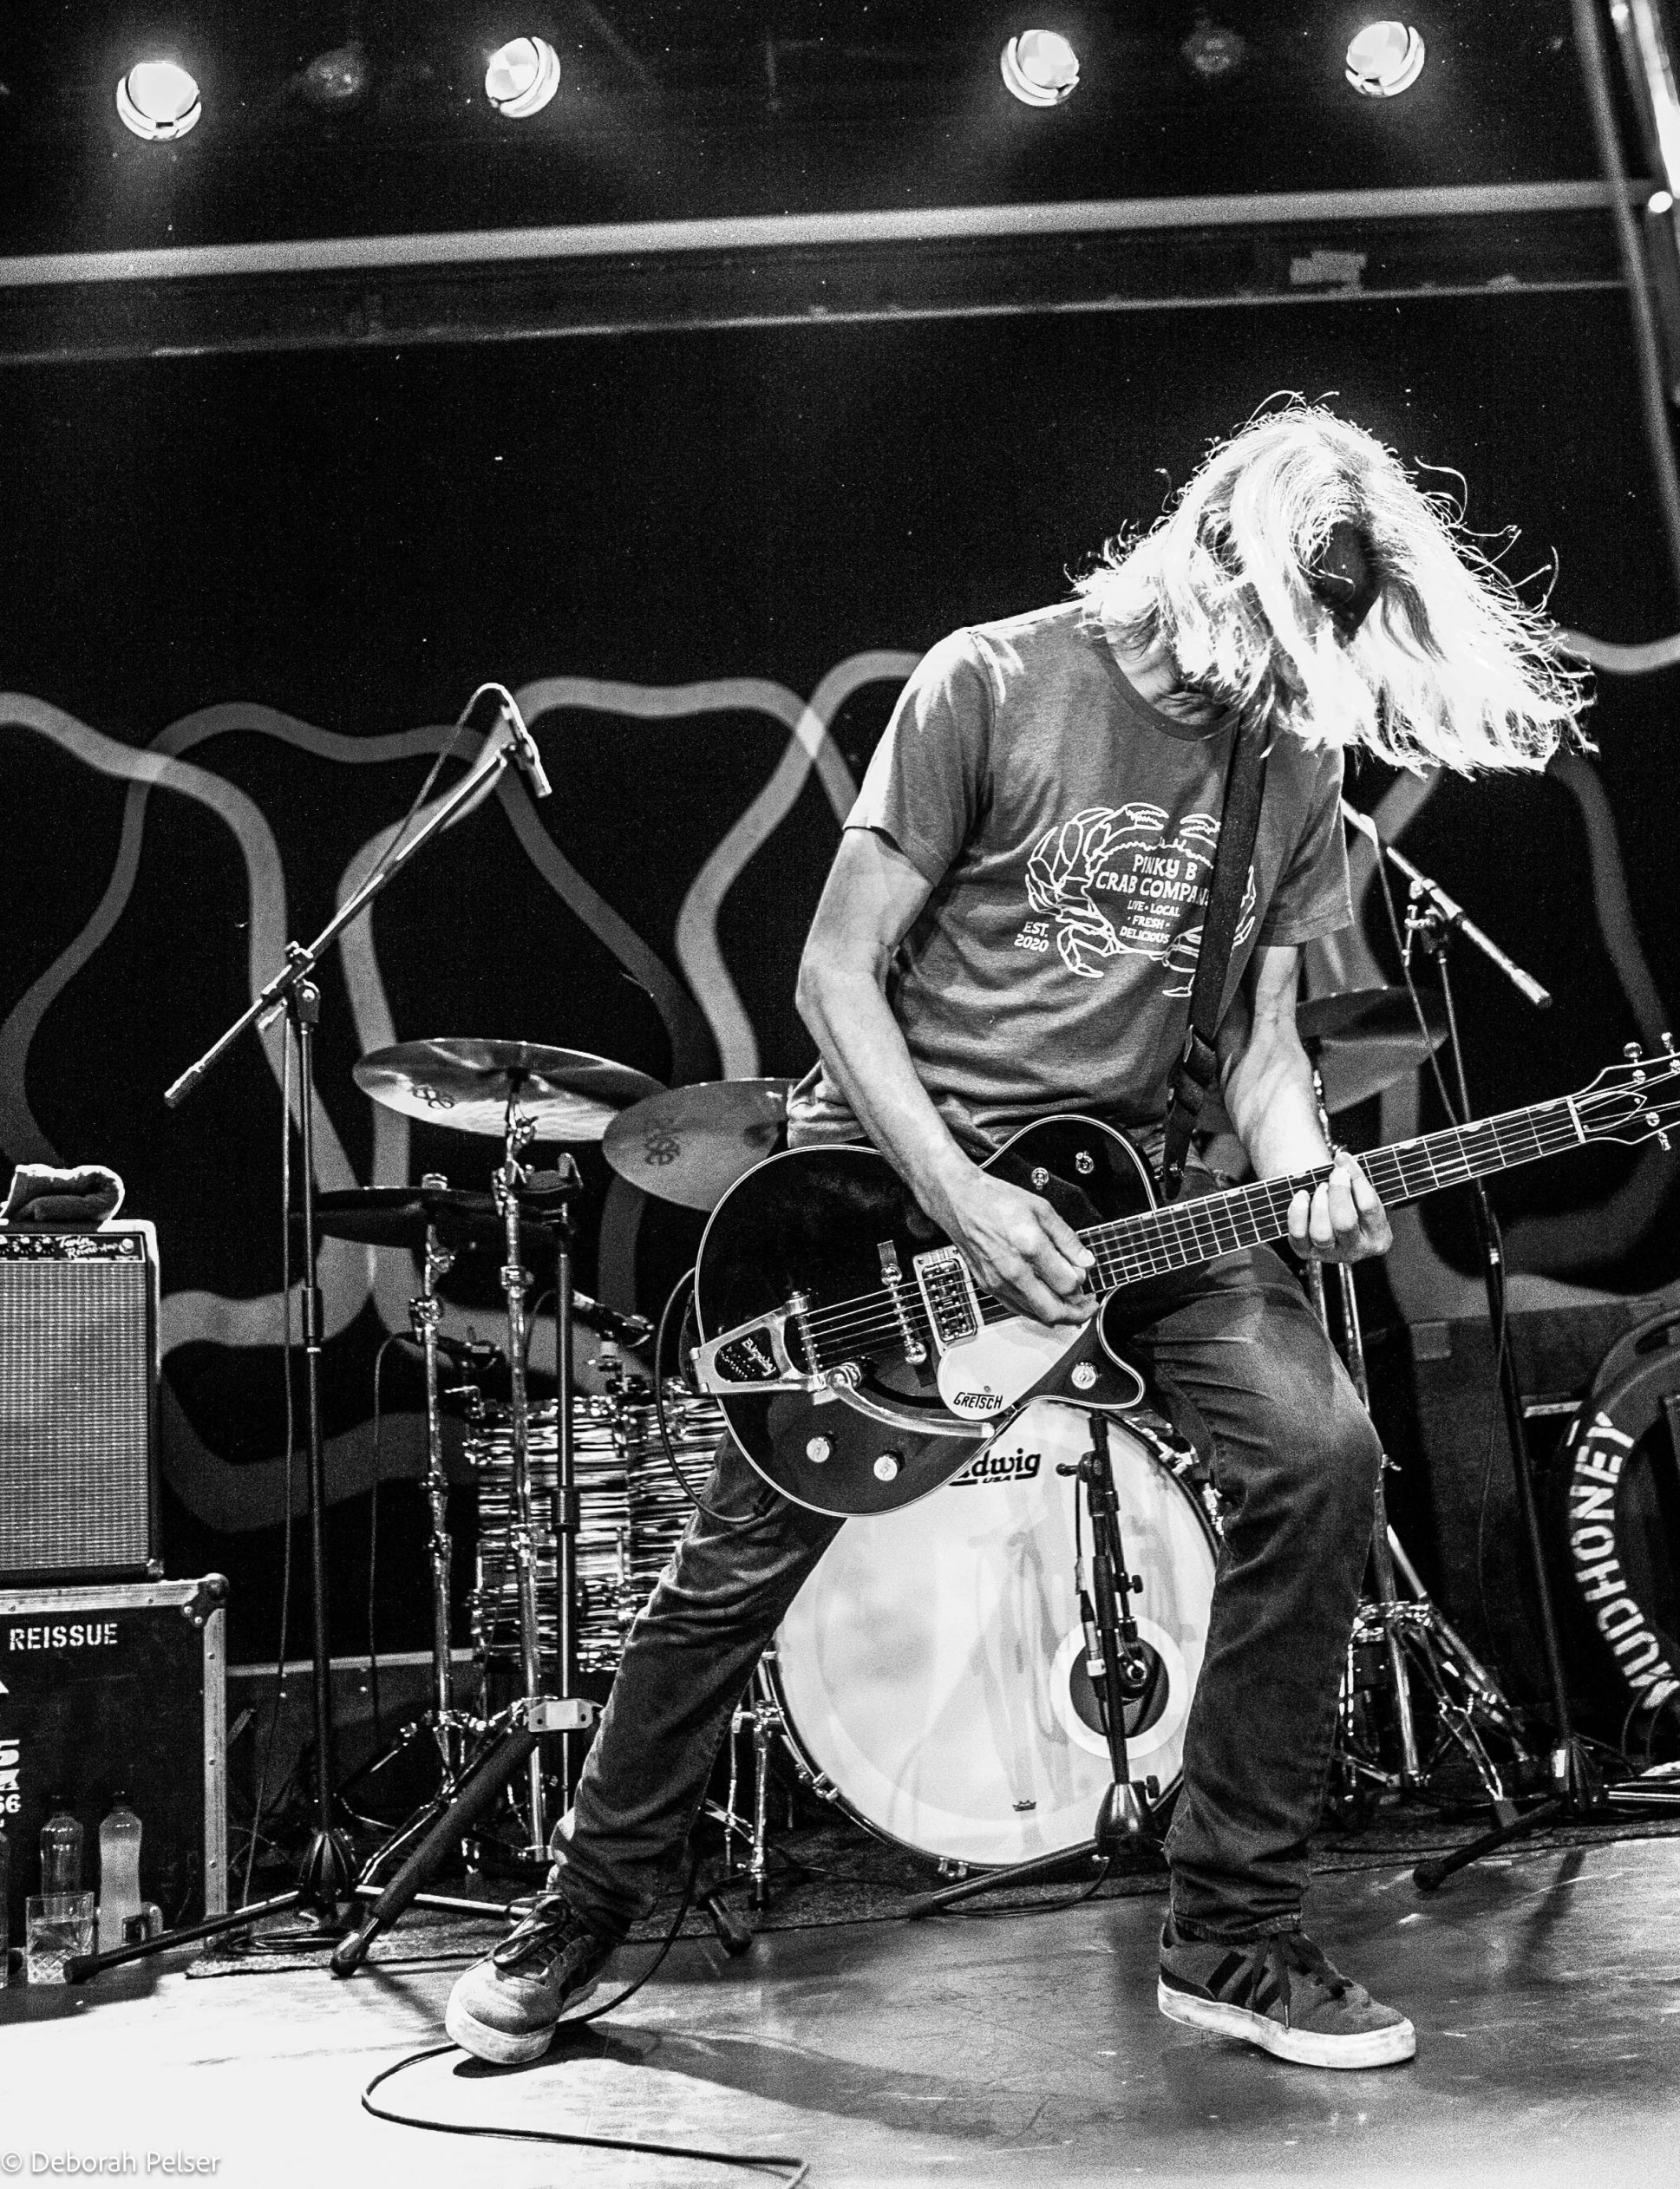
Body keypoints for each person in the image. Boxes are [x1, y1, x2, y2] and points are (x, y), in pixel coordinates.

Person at [446, 402, 1585, 2072]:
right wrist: (964, 1194)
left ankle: (1233, 1931)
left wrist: (1310, 1170)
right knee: (736, 1567)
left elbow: (1266, 1051)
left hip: (1136, 1197)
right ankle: (583, 1907)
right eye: (1283, 628)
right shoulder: (988, 680)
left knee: (1322, 1455)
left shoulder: (1291, 760)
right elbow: (836, 976)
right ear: (1212, 557)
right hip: (901, 1191)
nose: (1290, 673)